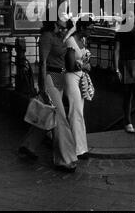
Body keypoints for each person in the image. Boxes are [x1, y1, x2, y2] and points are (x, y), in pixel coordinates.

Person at [19, 19, 78, 173]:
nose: (65, 30)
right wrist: (43, 87)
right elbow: (43, 62)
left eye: (66, 28)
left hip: (60, 78)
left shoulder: (60, 38)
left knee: (48, 114)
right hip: (50, 78)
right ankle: (65, 159)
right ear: (54, 24)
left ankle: (29, 145)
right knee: (60, 118)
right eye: (62, 27)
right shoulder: (47, 37)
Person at [64, 19, 94, 160]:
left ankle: (81, 147)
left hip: (80, 77)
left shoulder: (82, 40)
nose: (91, 31)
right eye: (89, 28)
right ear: (81, 28)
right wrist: (84, 66)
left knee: (79, 111)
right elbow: (70, 65)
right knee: (75, 111)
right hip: (71, 78)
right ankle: (76, 148)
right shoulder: (71, 41)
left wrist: (85, 66)